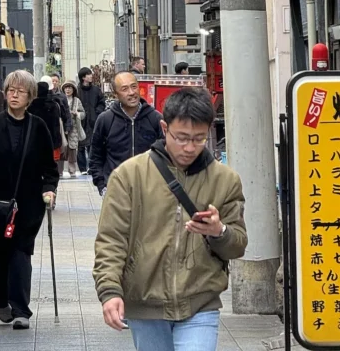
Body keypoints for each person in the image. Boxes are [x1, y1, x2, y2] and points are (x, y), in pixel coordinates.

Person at [94, 88, 247, 351]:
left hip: (200, 301)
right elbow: (111, 240)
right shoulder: (129, 176)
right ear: (165, 128)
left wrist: (218, 231)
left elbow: (238, 245)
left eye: (199, 139)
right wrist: (110, 291)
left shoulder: (225, 180)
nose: (190, 148)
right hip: (144, 302)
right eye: (182, 138)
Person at [0, 70, 59, 330]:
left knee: (21, 252)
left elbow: (50, 167)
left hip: (29, 203)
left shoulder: (38, 126)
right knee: (1, 255)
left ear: (30, 96)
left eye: (21, 91)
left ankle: (21, 309)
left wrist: (50, 189)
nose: (15, 95)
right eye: (11, 90)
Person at [89, 72, 163, 194]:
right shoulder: (105, 120)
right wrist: (102, 185)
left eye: (134, 86)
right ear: (115, 94)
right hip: (116, 190)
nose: (131, 92)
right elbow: (96, 156)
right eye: (124, 89)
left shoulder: (155, 118)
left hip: (150, 191)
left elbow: (166, 155)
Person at [76, 67, 106, 174]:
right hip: (81, 121)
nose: (91, 76)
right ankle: (82, 168)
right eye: (88, 74)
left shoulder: (96, 90)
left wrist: (97, 112)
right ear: (83, 77)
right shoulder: (77, 90)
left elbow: (102, 102)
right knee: (80, 145)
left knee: (92, 145)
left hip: (94, 120)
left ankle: (91, 166)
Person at [29, 80, 63, 155]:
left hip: (34, 142)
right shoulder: (54, 104)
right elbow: (56, 124)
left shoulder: (31, 106)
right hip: (53, 141)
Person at [61, 80, 86, 178]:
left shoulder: (77, 101)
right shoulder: (60, 99)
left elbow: (83, 113)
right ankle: (60, 171)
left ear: (73, 89)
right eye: (66, 88)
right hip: (62, 127)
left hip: (74, 128)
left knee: (72, 149)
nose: (67, 89)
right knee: (62, 148)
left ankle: (72, 171)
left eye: (70, 88)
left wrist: (77, 114)